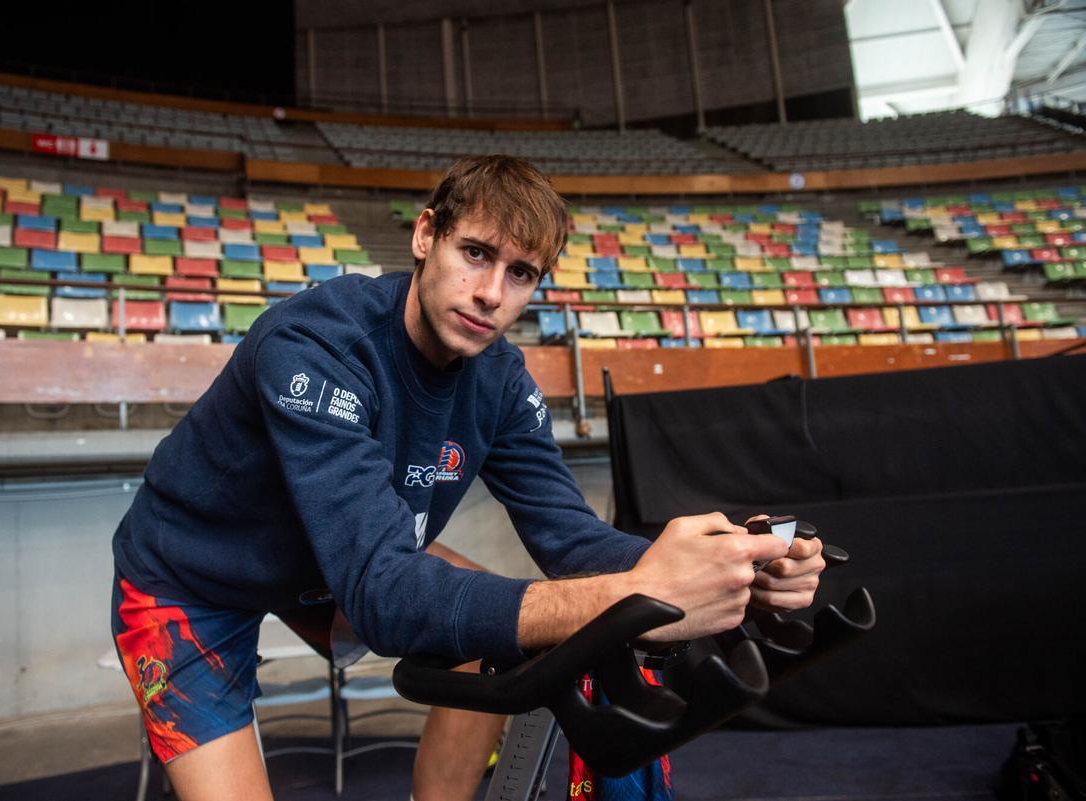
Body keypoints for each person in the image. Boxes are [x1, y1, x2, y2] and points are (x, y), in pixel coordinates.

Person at [110, 155, 826, 801]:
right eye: (475, 253)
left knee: (484, 623)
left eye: (520, 274)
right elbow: (387, 595)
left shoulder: (500, 381)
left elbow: (568, 537)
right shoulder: (315, 345)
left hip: (325, 565)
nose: (490, 293)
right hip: (190, 580)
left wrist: (733, 567)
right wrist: (638, 589)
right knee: (469, 605)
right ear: (426, 236)